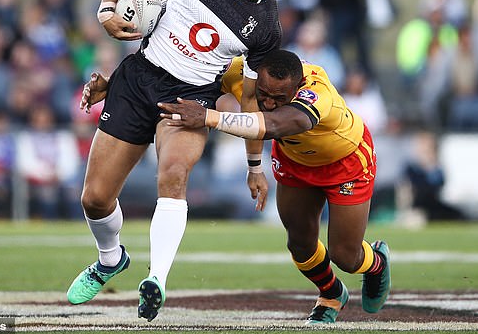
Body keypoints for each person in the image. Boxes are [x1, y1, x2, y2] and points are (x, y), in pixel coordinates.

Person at [67, 0, 300, 323]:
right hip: (139, 78)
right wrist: (106, 11)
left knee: (173, 173)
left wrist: (254, 166)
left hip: (190, 98)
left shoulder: (266, 29)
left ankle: (156, 280)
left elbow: (248, 98)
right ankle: (110, 259)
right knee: (94, 199)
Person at [157, 50, 391, 324]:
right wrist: (113, 88)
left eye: (279, 98)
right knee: (299, 243)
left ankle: (376, 263)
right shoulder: (244, 72)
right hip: (294, 161)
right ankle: (330, 294)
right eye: (263, 94)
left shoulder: (317, 90)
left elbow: (279, 124)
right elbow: (181, 73)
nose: (267, 103)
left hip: (346, 161)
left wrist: (209, 117)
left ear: (297, 86)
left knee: (345, 256)